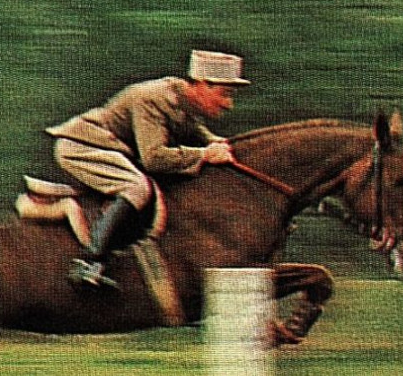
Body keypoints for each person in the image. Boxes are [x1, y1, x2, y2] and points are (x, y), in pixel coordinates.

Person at [47, 48, 251, 288]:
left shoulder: (182, 98)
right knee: (137, 188)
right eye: (224, 94)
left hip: (114, 150)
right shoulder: (152, 98)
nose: (229, 104)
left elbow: (189, 125)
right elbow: (154, 158)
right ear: (201, 84)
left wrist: (212, 140)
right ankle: (88, 263)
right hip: (83, 147)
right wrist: (204, 154)